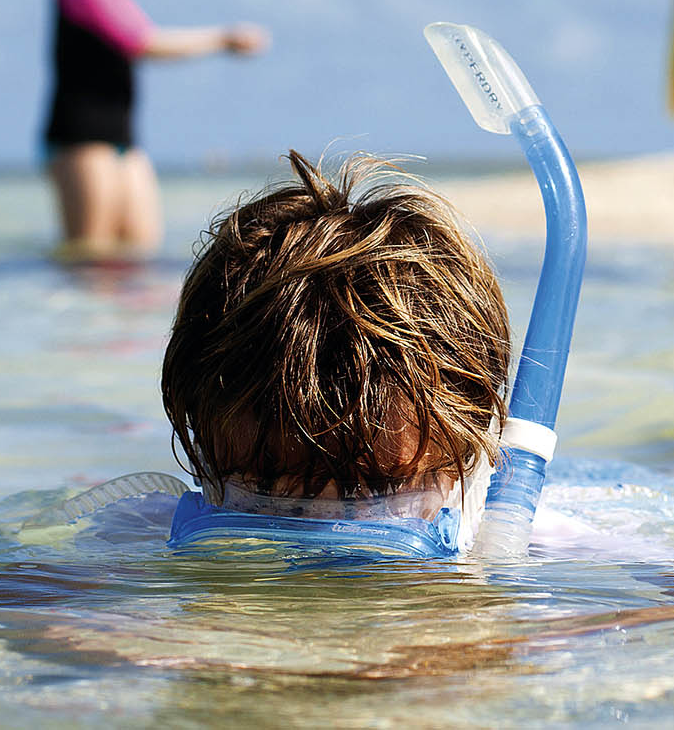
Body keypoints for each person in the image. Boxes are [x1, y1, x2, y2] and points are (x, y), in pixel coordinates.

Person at [155, 151, 511, 550]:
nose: (320, 550)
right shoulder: (134, 532)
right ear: (204, 459)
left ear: (477, 461)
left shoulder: (545, 547)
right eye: (264, 495)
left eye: (382, 493)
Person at [38, 0, 267, 256]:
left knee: (139, 255)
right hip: (81, 137)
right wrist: (222, 39)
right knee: (91, 258)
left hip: (121, 134)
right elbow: (140, 42)